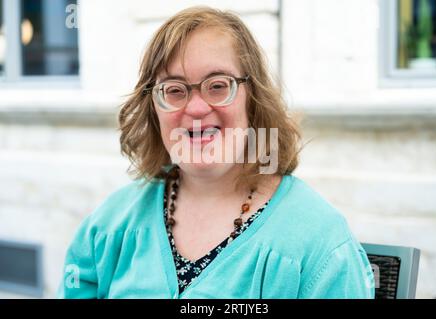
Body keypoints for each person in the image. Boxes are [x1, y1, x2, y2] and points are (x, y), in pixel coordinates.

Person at [58, 6, 374, 299]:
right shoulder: (109, 226)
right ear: (153, 108)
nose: (196, 108)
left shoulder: (320, 244)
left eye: (218, 85)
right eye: (174, 90)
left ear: (254, 99)